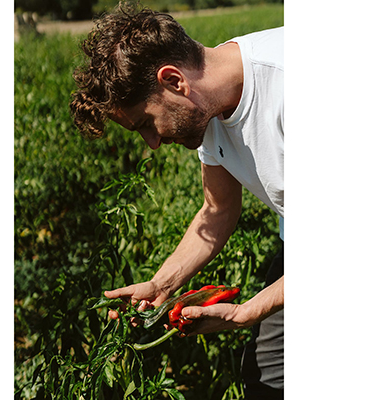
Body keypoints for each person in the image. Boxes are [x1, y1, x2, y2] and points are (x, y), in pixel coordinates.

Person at [69, 2, 284, 397]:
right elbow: (218, 210)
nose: (152, 144)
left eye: (146, 124)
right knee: (269, 375)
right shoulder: (210, 108)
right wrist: (162, 284)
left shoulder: (285, 88)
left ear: (174, 81)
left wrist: (247, 312)